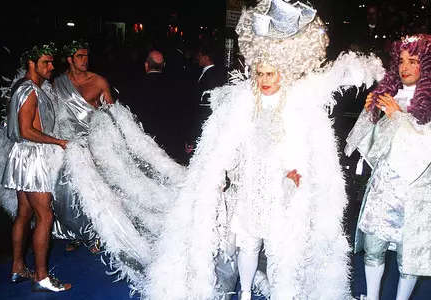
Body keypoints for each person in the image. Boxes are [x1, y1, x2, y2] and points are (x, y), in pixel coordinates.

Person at [146, 1, 384, 299]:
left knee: (279, 247)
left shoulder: (299, 102)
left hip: (282, 188)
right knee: (248, 242)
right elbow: (229, 144)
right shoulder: (241, 102)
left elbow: (305, 140)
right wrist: (222, 173)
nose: (265, 80)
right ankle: (245, 292)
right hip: (249, 184)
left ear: (283, 72)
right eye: (260, 74)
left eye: (271, 74)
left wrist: (296, 171)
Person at [345, 34, 431, 300]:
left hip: (416, 192)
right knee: (373, 248)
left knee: (410, 257)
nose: (404, 67)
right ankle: (371, 297)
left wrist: (396, 116)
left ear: (427, 65)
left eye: (413, 61)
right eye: (401, 61)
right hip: (384, 187)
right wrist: (369, 113)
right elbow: (369, 144)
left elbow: (428, 145)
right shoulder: (390, 96)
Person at [1, 43, 71, 292]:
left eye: (52, 62)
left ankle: (18, 268)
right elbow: (26, 129)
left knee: (24, 213)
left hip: (22, 154)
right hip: (33, 155)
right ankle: (41, 277)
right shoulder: (30, 90)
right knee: (45, 215)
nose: (51, 67)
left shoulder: (22, 86)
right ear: (32, 64)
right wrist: (59, 141)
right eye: (46, 62)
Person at [52, 40, 114, 253]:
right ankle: (77, 232)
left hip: (92, 143)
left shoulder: (99, 82)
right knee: (67, 192)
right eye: (80, 56)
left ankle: (98, 234)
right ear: (70, 59)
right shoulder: (57, 83)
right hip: (66, 144)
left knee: (95, 191)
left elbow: (113, 115)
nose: (85, 59)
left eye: (87, 55)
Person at [184, 41, 227, 154]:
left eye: (200, 55)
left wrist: (192, 136)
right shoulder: (212, 73)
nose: (197, 57)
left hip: (203, 125)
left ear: (206, 57)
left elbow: (202, 109)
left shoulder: (212, 76)